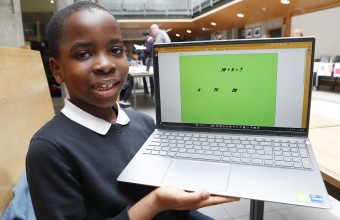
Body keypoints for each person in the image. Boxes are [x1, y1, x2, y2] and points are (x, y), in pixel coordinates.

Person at [26, 1, 239, 219]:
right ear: (57, 69)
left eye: (115, 50)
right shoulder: (49, 150)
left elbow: (169, 190)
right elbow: (157, 198)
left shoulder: (144, 123)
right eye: (83, 54)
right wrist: (154, 203)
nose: (105, 64)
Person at [142, 31, 154, 97]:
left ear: (146, 35)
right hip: (149, 59)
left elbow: (148, 50)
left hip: (150, 59)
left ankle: (153, 93)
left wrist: (143, 49)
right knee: (150, 77)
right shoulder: (149, 41)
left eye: (143, 36)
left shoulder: (150, 41)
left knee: (151, 77)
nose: (143, 38)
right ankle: (152, 93)